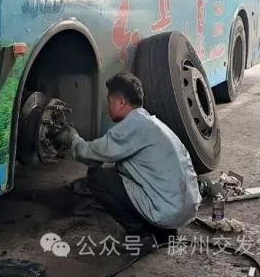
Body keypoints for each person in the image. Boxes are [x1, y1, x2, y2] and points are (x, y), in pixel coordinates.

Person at [56, 73, 202, 249]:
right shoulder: (151, 123)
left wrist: (72, 139)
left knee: (98, 178)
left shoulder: (132, 127)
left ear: (121, 102)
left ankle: (140, 235)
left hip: (168, 211)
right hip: (186, 207)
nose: (108, 107)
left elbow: (91, 152)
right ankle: (163, 233)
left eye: (109, 101)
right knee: (116, 171)